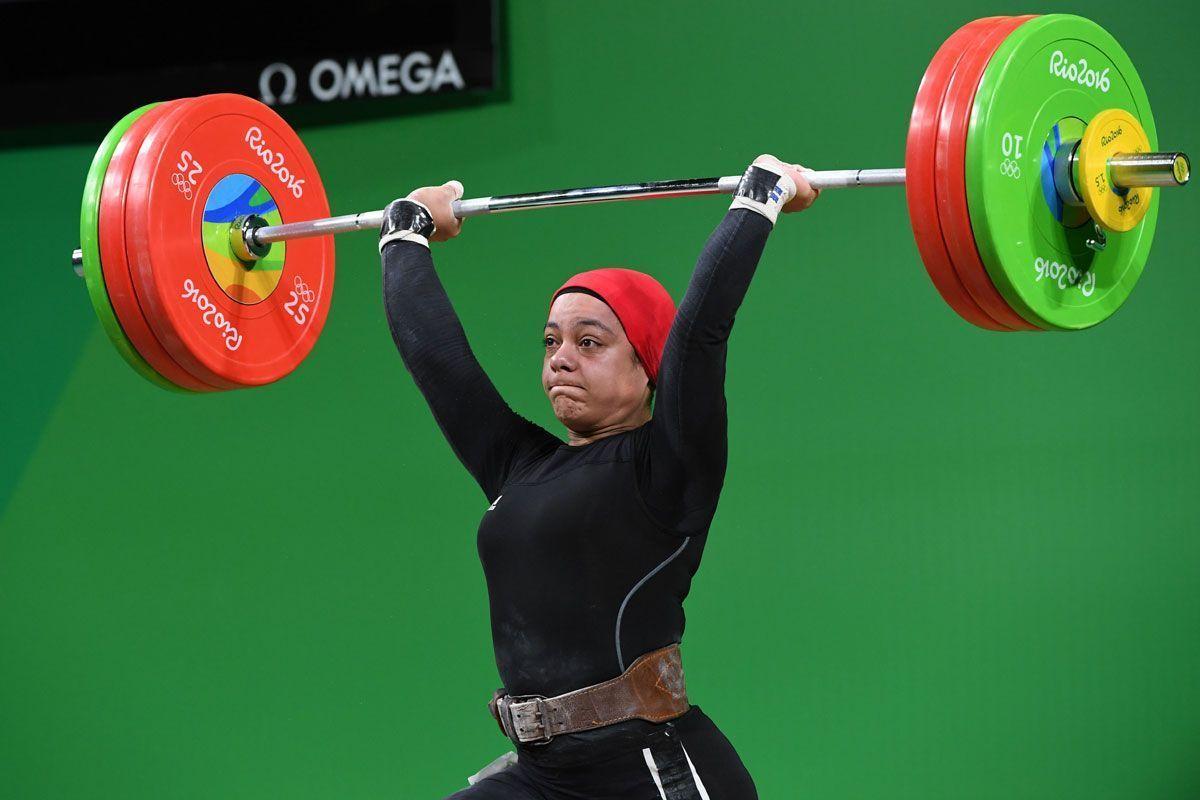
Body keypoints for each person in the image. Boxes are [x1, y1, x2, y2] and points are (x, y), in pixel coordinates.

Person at [379, 155, 818, 800]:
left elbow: (700, 334)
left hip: (651, 771)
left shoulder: (671, 461)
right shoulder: (520, 465)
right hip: (543, 775)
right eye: (551, 341)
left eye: (590, 343)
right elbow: (437, 361)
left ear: (647, 365)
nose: (560, 358)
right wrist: (405, 232)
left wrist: (760, 198)